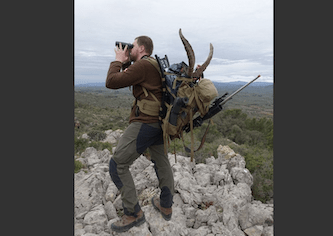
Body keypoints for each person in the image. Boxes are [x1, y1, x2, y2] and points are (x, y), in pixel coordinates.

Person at [105, 36, 175, 233]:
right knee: (161, 162)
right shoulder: (152, 64)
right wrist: (128, 60)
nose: (129, 47)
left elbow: (111, 81)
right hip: (160, 124)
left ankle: (133, 213)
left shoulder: (143, 65)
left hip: (145, 123)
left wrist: (118, 60)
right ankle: (166, 205)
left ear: (142, 48)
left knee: (117, 165)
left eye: (133, 45)